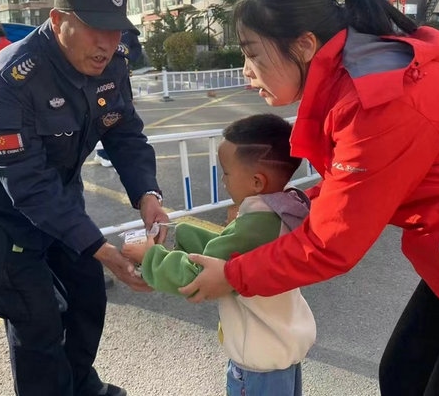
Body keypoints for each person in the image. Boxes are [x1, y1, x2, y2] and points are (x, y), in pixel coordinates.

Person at [177, 0, 439, 395]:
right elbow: (348, 189)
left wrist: (233, 276)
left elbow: (330, 243)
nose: (245, 71)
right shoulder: (355, 81)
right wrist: (279, 209)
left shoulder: (380, 102)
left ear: (304, 45)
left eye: (253, 54)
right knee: (402, 374)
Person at [0, 0, 169, 396]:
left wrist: (148, 194)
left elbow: (124, 132)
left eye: (115, 31)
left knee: (87, 295)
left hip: (62, 197)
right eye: (95, 29)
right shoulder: (11, 79)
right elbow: (27, 184)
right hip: (3, 213)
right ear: (57, 20)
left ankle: (80, 385)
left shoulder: (113, 63)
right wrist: (104, 251)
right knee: (36, 318)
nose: (107, 44)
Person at [122, 114, 316, 396]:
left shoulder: (256, 227)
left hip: (258, 360)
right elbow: (226, 249)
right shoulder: (280, 210)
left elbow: (198, 277)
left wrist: (150, 256)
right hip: (280, 348)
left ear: (257, 182)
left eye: (226, 172)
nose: (223, 180)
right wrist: (182, 232)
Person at [94, 30, 143, 168]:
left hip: (121, 79)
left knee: (123, 118)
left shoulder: (129, 31)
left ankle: (113, 156)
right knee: (104, 118)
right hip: (102, 80)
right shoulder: (101, 28)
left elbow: (136, 49)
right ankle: (102, 153)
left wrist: (128, 58)